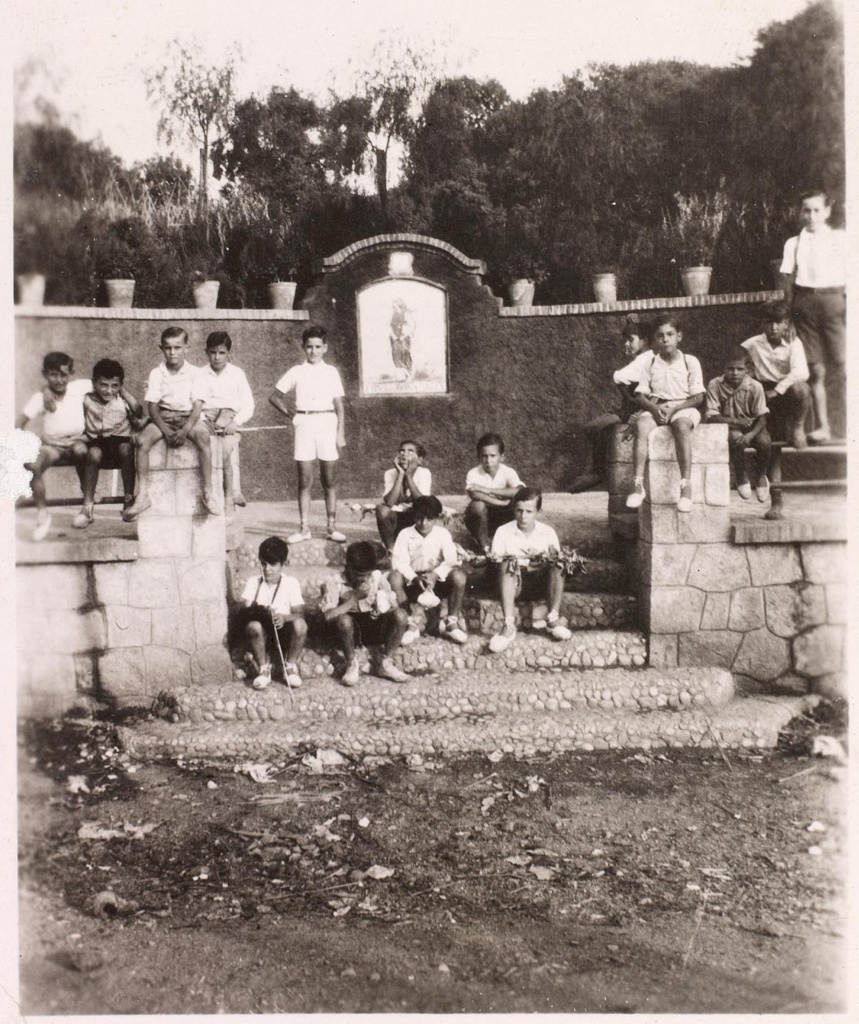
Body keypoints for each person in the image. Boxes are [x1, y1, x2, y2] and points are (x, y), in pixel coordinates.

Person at [123, 326, 217, 521]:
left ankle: (208, 492)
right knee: (142, 442)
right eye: (168, 348)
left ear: (186, 348)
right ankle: (142, 495)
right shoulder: (157, 373)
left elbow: (197, 406)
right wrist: (166, 431)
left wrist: (185, 430)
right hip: (163, 417)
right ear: (161, 348)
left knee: (203, 437)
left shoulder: (196, 373)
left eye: (177, 347)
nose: (172, 352)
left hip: (188, 416)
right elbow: (152, 407)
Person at [779, 189, 846, 444]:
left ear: (827, 211)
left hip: (835, 302)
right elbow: (787, 283)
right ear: (800, 213)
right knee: (815, 370)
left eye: (817, 210)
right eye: (806, 210)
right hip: (805, 305)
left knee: (846, 366)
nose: (811, 216)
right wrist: (789, 317)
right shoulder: (794, 243)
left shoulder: (841, 239)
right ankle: (824, 428)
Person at [269, 324, 346, 544]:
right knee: (304, 479)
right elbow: (274, 397)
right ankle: (304, 529)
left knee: (329, 479)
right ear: (303, 347)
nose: (313, 351)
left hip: (327, 423)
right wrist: (292, 415)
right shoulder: (296, 371)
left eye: (318, 347)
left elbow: (339, 405)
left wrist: (340, 433)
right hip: (304, 424)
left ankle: (331, 527)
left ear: (325, 348)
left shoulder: (331, 372)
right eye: (310, 347)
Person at [625, 314, 706, 513]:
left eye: (670, 334)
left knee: (681, 426)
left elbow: (698, 397)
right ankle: (637, 484)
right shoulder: (650, 362)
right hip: (658, 407)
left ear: (679, 336)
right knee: (642, 425)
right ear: (654, 339)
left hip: (684, 406)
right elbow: (640, 395)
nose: (665, 339)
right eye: (660, 335)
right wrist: (655, 409)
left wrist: (675, 409)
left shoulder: (689, 361)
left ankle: (686, 486)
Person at [488, 487, 572, 654]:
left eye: (529, 511)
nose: (523, 516)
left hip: (541, 585)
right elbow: (496, 564)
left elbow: (556, 559)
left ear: (538, 512)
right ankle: (508, 625)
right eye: (519, 511)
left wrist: (541, 560)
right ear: (514, 510)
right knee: (507, 563)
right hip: (513, 585)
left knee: (558, 561)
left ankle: (553, 619)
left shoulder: (547, 532)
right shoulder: (503, 532)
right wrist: (521, 563)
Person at [570, 314, 649, 493]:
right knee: (596, 428)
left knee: (593, 427)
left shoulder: (646, 359)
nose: (626, 344)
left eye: (630, 340)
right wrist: (633, 323)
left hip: (634, 411)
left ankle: (598, 473)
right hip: (628, 408)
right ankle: (597, 472)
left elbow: (618, 376)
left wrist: (631, 403)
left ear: (644, 341)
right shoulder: (641, 359)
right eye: (624, 340)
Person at [17, 351, 90, 541]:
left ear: (71, 373)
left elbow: (106, 382)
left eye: (63, 375)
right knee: (32, 465)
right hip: (53, 446)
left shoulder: (79, 387)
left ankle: (87, 500)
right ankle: (42, 514)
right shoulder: (40, 398)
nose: (59, 380)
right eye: (53, 375)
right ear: (45, 374)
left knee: (82, 451)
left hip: (76, 442)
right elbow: (19, 423)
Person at [320, 540, 410, 686]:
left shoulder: (376, 577)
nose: (363, 579)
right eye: (359, 575)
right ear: (347, 567)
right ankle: (351, 663)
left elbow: (394, 606)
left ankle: (386, 663)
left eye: (367, 575)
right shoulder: (335, 582)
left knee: (401, 615)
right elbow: (327, 616)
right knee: (344, 621)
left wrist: (381, 607)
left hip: (372, 625)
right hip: (349, 632)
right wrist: (354, 598)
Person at [74, 358, 145, 529]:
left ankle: (128, 500)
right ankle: (88, 507)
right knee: (93, 454)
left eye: (114, 386)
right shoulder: (87, 399)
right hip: (97, 443)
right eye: (103, 385)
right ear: (94, 383)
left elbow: (138, 412)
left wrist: (124, 392)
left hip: (119, 444)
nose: (108, 390)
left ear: (120, 386)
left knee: (127, 449)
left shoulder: (122, 400)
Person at [388, 494, 468, 646]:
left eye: (429, 519)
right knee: (394, 577)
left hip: (437, 581)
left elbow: (451, 560)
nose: (424, 523)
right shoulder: (405, 534)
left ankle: (451, 622)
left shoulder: (442, 534)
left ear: (437, 518)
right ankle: (410, 623)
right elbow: (399, 562)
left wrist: (436, 574)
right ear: (414, 516)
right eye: (419, 518)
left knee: (459, 576)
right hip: (414, 582)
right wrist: (414, 577)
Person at [233, 536, 306, 691]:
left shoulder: (291, 583)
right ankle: (263, 669)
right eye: (263, 563)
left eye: (273, 564)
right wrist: (263, 612)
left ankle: (290, 666)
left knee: (301, 625)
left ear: (283, 564)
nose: (267, 569)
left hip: (284, 633)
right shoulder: (254, 582)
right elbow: (246, 610)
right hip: (262, 634)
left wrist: (284, 617)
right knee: (253, 625)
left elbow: (299, 613)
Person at [742, 300, 812, 450]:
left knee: (801, 388)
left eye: (778, 322)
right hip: (764, 392)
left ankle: (798, 428)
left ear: (786, 324)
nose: (773, 328)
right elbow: (737, 362)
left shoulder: (794, 342)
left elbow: (801, 372)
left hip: (787, 391)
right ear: (762, 324)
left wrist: (778, 389)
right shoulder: (751, 344)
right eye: (769, 322)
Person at [197, 331, 255, 511]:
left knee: (225, 451)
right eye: (213, 352)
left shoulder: (237, 373)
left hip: (229, 420)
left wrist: (235, 422)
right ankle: (211, 496)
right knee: (206, 450)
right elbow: (193, 402)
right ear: (206, 352)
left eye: (222, 353)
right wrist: (202, 420)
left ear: (229, 353)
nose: (217, 357)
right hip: (206, 420)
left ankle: (230, 496)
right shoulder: (199, 374)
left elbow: (248, 404)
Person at [705, 349, 771, 502]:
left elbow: (762, 417)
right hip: (728, 425)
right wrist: (736, 422)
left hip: (752, 426)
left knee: (765, 442)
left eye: (740, 369)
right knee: (736, 438)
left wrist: (751, 435)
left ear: (747, 369)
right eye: (730, 368)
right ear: (724, 368)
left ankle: (761, 475)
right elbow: (712, 416)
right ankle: (740, 475)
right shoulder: (715, 384)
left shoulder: (755, 386)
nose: (734, 373)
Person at [464, 433, 525, 555]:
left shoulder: (508, 472)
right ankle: (485, 547)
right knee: (477, 505)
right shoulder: (473, 473)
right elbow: (474, 494)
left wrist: (487, 490)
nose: (488, 461)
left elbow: (519, 490)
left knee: (518, 503)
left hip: (503, 516)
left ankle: (514, 543)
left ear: (502, 457)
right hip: (481, 518)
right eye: (484, 456)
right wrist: (500, 502)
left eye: (493, 456)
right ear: (479, 457)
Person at [375, 439, 432, 553]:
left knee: (425, 509)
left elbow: (423, 502)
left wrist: (409, 476)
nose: (405, 454)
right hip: (396, 518)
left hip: (415, 518)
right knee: (382, 510)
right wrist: (401, 474)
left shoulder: (424, 473)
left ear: (419, 460)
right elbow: (389, 502)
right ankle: (391, 550)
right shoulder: (390, 473)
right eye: (402, 451)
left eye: (410, 451)